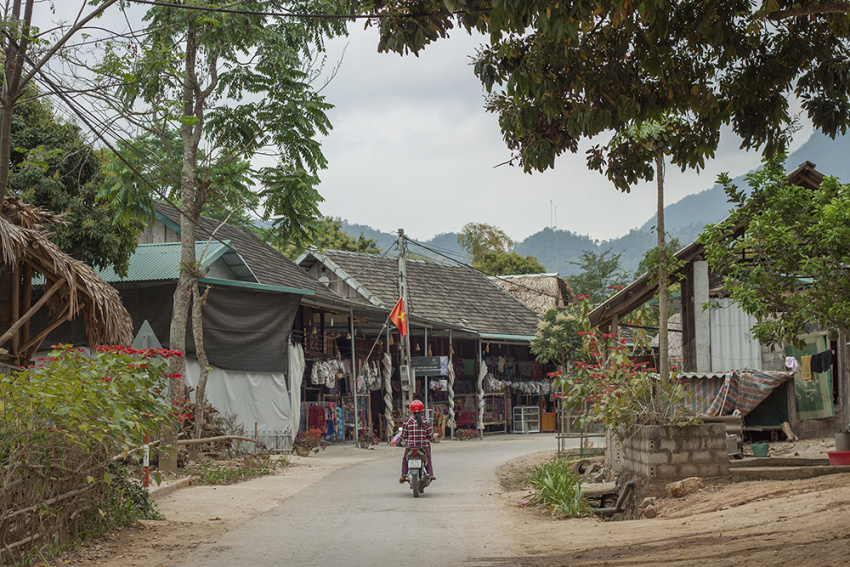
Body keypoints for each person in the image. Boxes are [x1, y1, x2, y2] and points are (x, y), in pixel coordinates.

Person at [399, 399, 436, 483]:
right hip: (422, 446)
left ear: (411, 410)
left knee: (405, 458)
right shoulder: (426, 421)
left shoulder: (407, 421)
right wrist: (433, 438)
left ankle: (404, 474)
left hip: (410, 446)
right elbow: (430, 436)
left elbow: (404, 436)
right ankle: (430, 473)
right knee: (428, 457)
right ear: (422, 409)